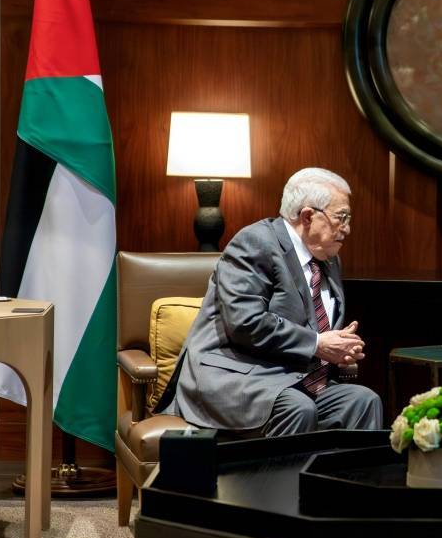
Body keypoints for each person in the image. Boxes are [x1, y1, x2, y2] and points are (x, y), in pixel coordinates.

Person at [157, 167, 382, 436]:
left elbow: (314, 326)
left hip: (293, 377)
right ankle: (284, 468)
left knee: (363, 401)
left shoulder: (328, 258)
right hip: (237, 375)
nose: (347, 228)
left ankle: (338, 468)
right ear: (308, 216)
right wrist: (317, 344)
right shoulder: (256, 242)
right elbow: (245, 322)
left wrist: (339, 348)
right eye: (341, 217)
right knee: (297, 407)